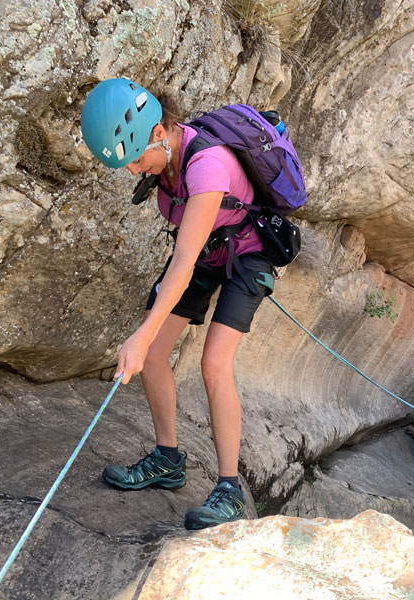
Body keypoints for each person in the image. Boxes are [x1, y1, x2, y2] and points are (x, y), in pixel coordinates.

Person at [80, 78, 274, 529]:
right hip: (208, 250)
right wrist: (146, 341)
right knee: (152, 358)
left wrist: (141, 334)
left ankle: (229, 488)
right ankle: (168, 461)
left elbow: (183, 261)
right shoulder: (162, 162)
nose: (133, 172)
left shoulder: (206, 165)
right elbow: (189, 255)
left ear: (157, 134)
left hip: (248, 254)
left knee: (214, 363)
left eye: (135, 160)